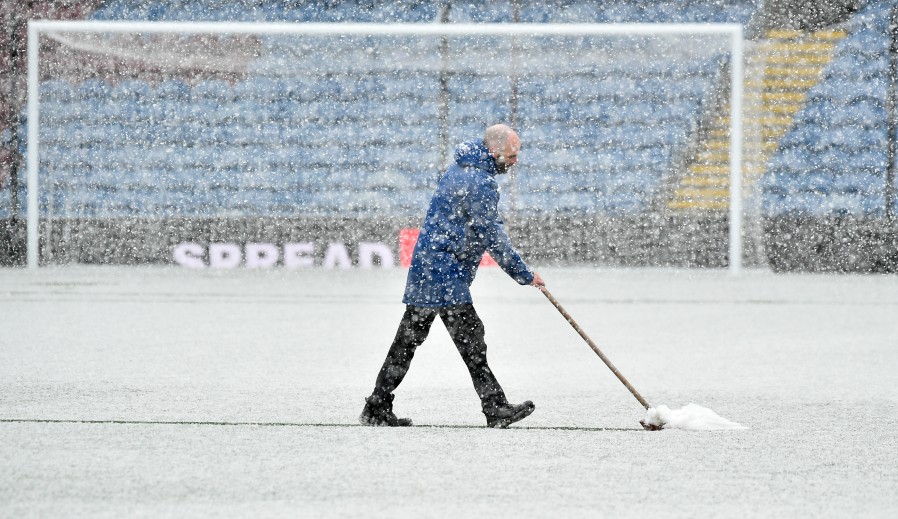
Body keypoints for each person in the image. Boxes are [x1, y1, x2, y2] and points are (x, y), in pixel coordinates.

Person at [360, 124, 545, 429]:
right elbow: (492, 236)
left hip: (429, 267)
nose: (515, 161)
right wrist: (524, 274)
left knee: (408, 341)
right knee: (471, 340)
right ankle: (495, 407)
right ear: (494, 151)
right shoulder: (479, 182)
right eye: (512, 155)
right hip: (444, 274)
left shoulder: (461, 170)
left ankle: (377, 405)